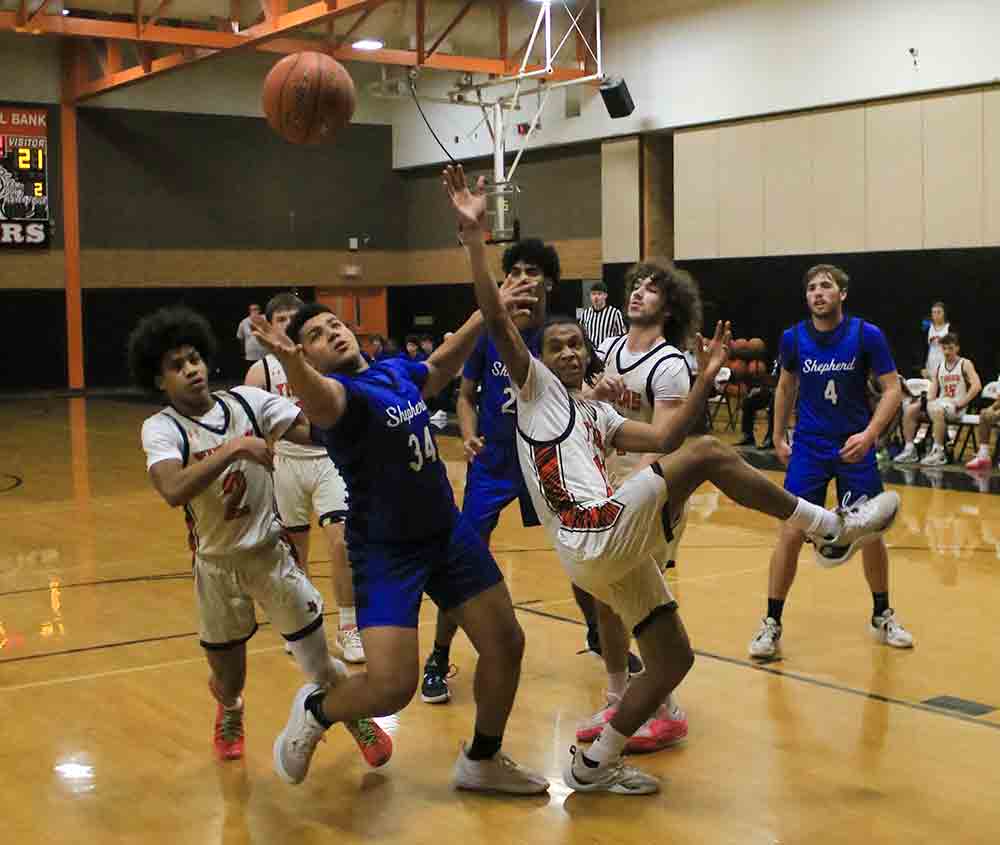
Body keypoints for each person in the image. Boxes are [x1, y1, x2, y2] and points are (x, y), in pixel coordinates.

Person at [444, 165, 900, 795]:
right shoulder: (538, 395)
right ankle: (829, 529)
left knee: (673, 660)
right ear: (539, 362)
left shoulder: (598, 411)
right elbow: (498, 324)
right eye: (558, 348)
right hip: (591, 530)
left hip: (608, 541)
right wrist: (475, 242)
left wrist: (708, 376)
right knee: (712, 453)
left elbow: (663, 438)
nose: (572, 353)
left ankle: (595, 762)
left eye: (579, 345)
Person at [253, 279, 551, 794]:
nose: (333, 334)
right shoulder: (340, 402)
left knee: (506, 643)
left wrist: (489, 307)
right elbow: (319, 398)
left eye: (335, 325)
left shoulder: (391, 369)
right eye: (318, 337)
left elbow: (438, 367)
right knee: (391, 689)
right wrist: (295, 368)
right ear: (310, 359)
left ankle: (482, 758)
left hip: (447, 534)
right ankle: (317, 709)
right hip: (386, 552)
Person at [129, 306, 391, 769]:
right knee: (230, 680)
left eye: (194, 358)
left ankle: (353, 715)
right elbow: (172, 489)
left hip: (270, 556)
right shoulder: (162, 427)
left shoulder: (248, 401)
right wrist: (234, 447)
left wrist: (365, 429)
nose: (191, 369)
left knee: (320, 664)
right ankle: (230, 708)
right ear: (159, 381)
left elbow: (314, 433)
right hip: (216, 565)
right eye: (176, 365)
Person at [748, 264, 913, 661]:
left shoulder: (865, 334)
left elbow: (893, 390)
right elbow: (786, 385)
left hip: (854, 445)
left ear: (842, 294)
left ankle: (882, 615)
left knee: (870, 532)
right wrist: (776, 435)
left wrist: (870, 434)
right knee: (790, 531)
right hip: (809, 447)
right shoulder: (794, 338)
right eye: (811, 288)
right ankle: (771, 623)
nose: (818, 292)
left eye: (826, 286)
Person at [575, 260, 702, 755]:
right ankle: (618, 695)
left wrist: (634, 495)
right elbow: (585, 406)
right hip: (608, 481)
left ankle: (665, 707)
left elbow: (664, 440)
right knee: (606, 591)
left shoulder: (670, 364)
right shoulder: (607, 349)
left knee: (642, 598)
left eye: (650, 290)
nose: (638, 295)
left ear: (667, 307)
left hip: (651, 488)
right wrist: (594, 392)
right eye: (636, 287)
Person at [419, 239, 548, 704]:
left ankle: (598, 634)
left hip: (543, 462)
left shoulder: (558, 335)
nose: (524, 279)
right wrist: (468, 432)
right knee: (462, 560)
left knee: (581, 552)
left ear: (549, 281)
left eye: (533, 271)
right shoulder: (489, 333)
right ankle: (437, 656)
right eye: (514, 272)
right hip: (492, 465)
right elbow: (465, 396)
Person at [245, 293, 364, 663]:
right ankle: (303, 622)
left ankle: (349, 627)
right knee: (295, 552)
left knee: (342, 541)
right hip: (287, 462)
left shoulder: (321, 360)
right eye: (279, 319)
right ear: (269, 325)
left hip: (330, 458)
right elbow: (251, 425)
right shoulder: (262, 371)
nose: (286, 324)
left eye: (292, 319)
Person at [895, 333, 980, 467]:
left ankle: (939, 452)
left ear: (957, 348)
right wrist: (923, 401)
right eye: (944, 348)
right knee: (911, 409)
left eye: (950, 348)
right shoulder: (939, 367)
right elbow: (932, 392)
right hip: (941, 403)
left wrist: (963, 402)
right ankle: (910, 449)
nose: (946, 352)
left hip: (957, 405)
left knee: (936, 408)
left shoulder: (965, 364)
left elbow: (977, 386)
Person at [736, 357, 778, 449]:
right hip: (769, 390)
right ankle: (748, 435)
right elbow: (766, 378)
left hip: (784, 394)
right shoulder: (772, 359)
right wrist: (761, 388)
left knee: (773, 404)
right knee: (748, 402)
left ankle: (771, 438)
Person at [580, 281, 626, 350]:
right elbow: (582, 334)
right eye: (593, 294)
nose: (596, 297)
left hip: (608, 352)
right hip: (592, 353)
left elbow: (622, 336)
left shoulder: (614, 313)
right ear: (590, 296)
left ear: (605, 296)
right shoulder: (585, 313)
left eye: (599, 294)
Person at [923, 301, 950, 380]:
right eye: (934, 312)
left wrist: (942, 341)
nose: (936, 315)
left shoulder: (949, 328)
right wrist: (922, 367)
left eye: (939, 312)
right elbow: (922, 349)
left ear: (944, 313)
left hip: (945, 363)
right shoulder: (928, 328)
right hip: (930, 363)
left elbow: (955, 346)